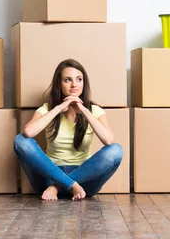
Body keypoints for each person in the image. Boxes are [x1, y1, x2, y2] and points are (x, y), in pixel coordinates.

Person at [13, 59, 124, 201]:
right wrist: (58, 108)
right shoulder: (48, 109)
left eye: (79, 79)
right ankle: (66, 183)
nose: (74, 85)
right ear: (59, 83)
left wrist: (84, 111)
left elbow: (109, 140)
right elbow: (28, 132)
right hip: (49, 175)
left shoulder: (94, 110)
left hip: (84, 181)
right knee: (20, 141)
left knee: (116, 150)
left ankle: (58, 186)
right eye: (67, 80)